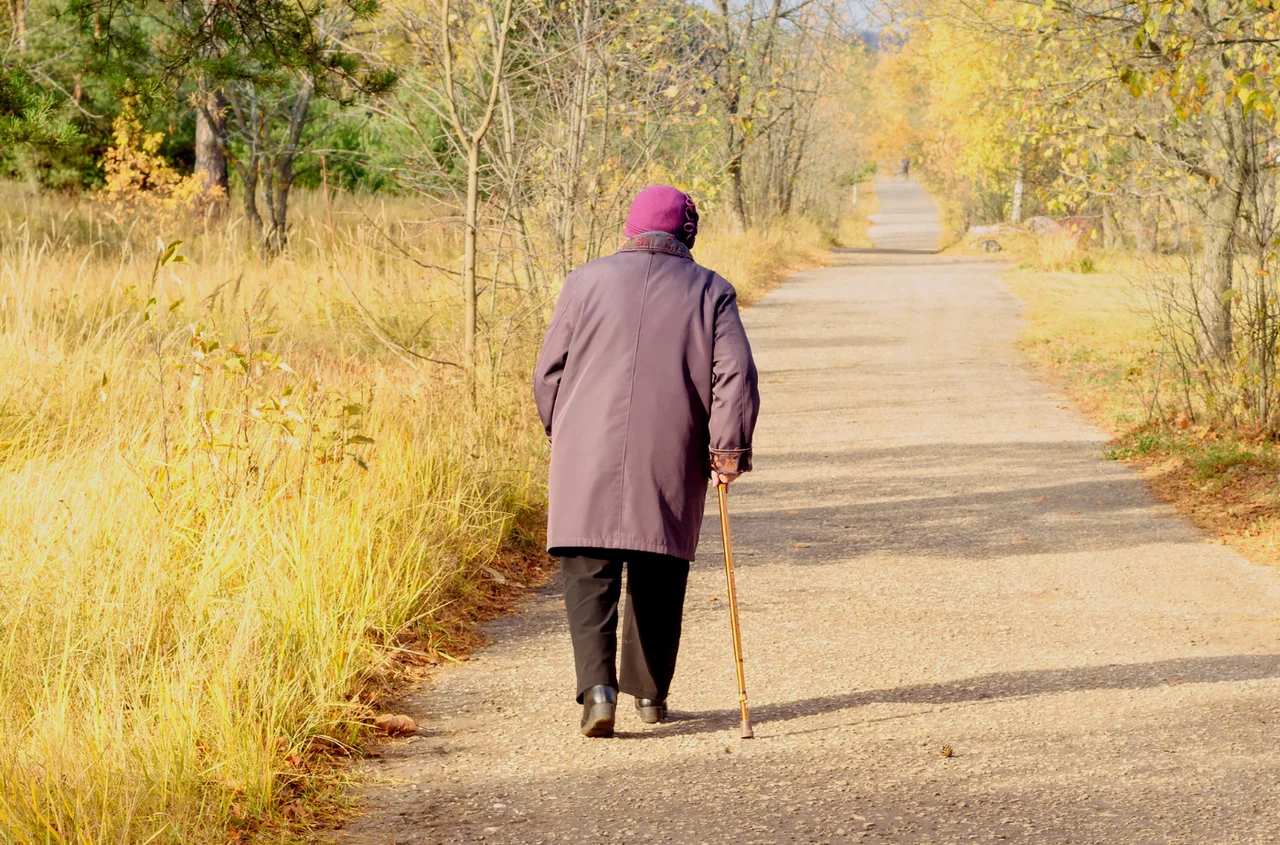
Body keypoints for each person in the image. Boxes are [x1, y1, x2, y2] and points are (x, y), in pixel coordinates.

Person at [533, 185, 761, 738]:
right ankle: (651, 697)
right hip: (670, 451)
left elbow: (549, 370)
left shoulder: (584, 280)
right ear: (687, 231)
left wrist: (560, 428)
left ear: (632, 227)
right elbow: (734, 375)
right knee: (659, 569)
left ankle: (598, 693)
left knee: (588, 572)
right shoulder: (712, 291)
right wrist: (727, 448)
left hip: (585, 450)